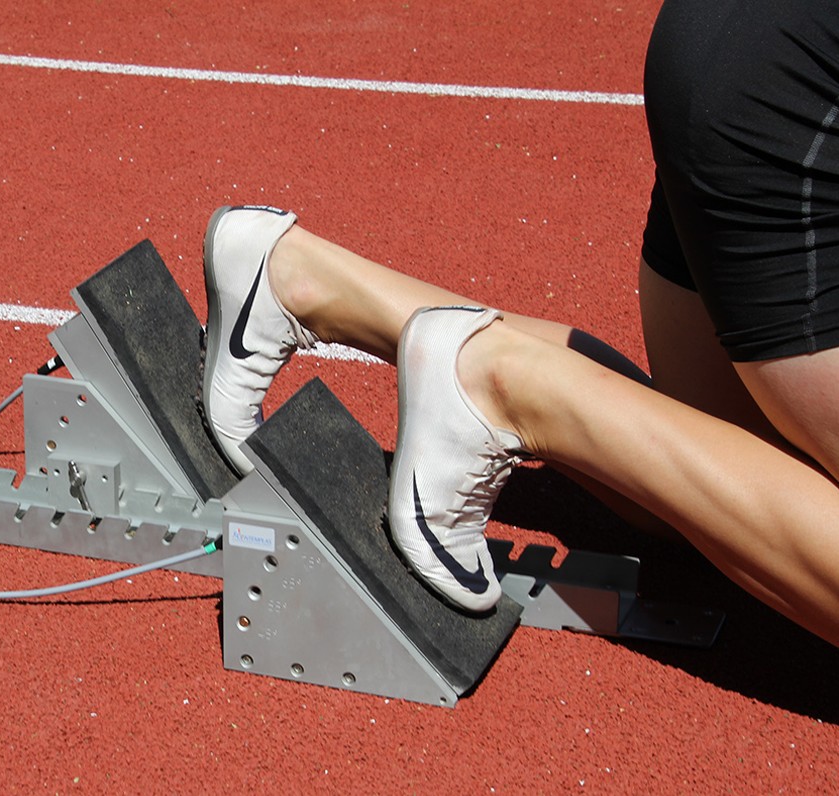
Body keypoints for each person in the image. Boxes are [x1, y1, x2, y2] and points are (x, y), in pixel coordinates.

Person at [199, 0, 839, 644]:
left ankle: (304, 281)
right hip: (798, 96)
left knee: (715, 488)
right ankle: (501, 387)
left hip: (744, 38)